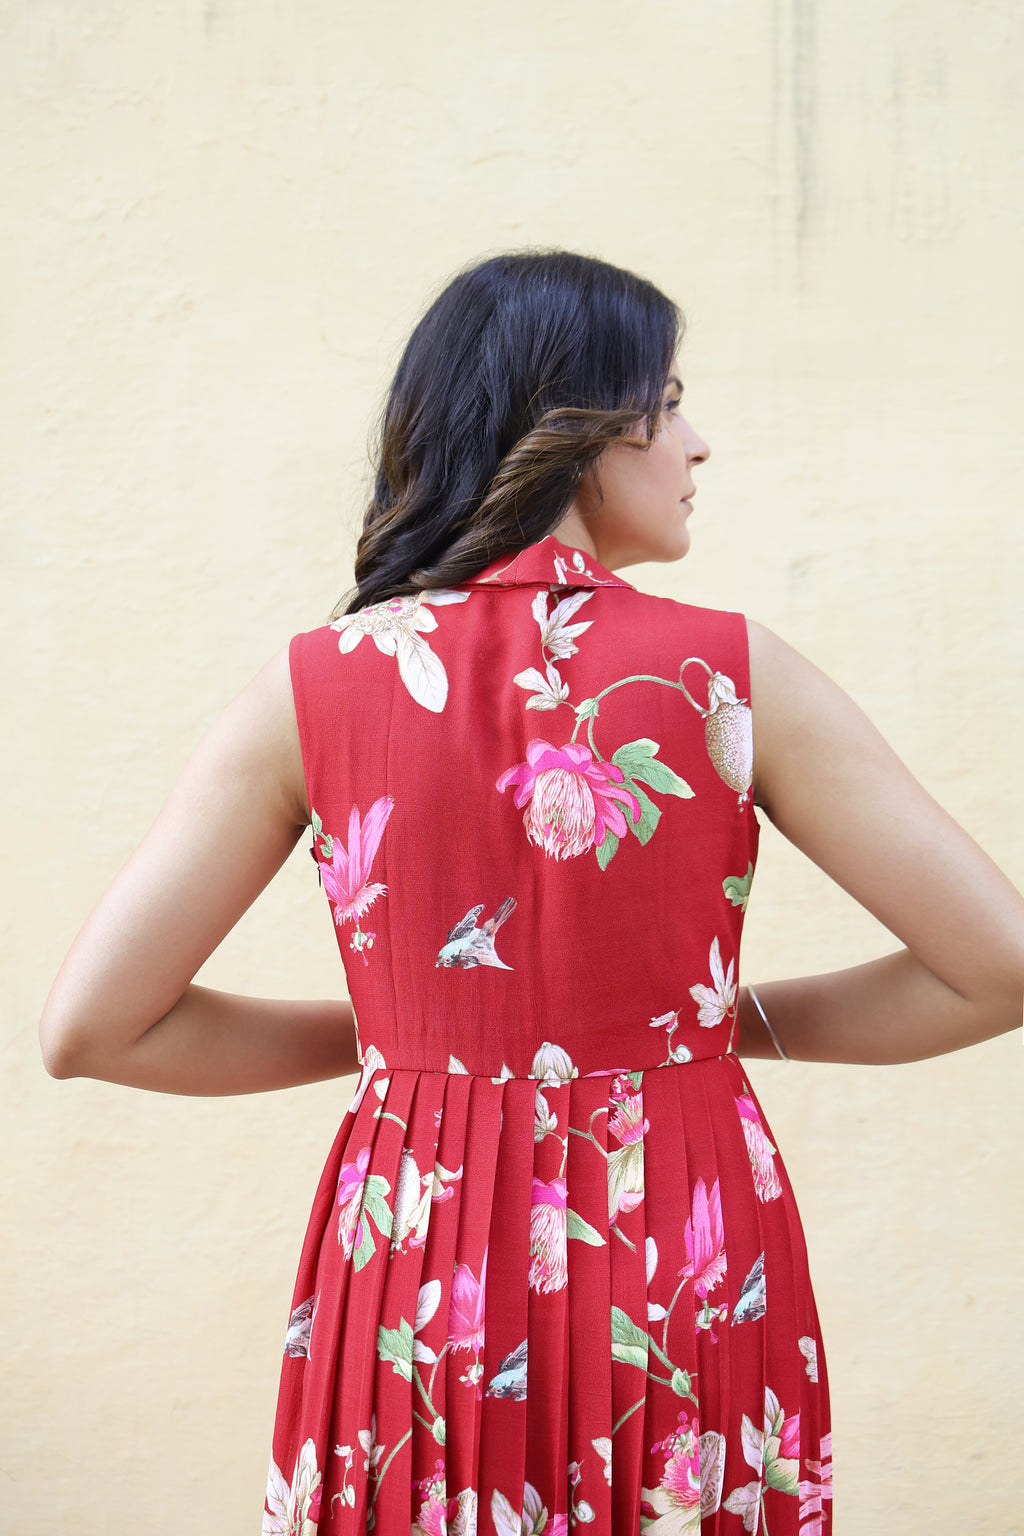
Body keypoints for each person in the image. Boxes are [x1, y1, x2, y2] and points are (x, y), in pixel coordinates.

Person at [39, 249, 1024, 1535]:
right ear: (584, 427)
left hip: (414, 1260)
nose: (697, 443)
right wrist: (713, 1029)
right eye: (669, 402)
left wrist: (410, 1043)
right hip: (683, 1249)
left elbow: (92, 1029)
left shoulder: (313, 688)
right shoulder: (732, 674)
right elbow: (996, 967)